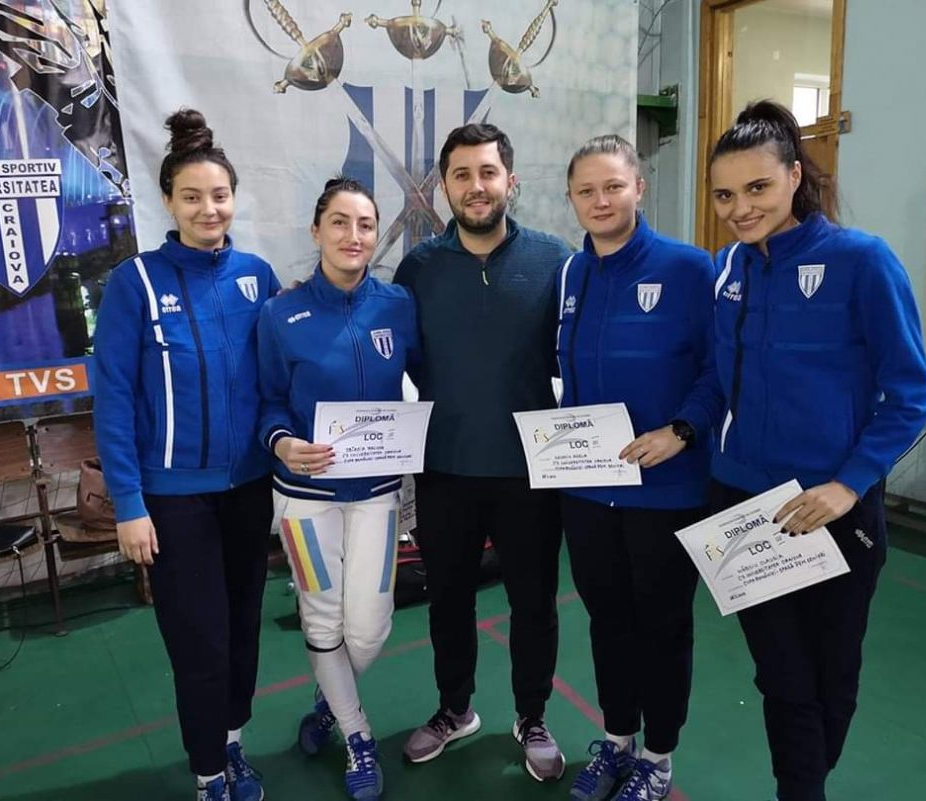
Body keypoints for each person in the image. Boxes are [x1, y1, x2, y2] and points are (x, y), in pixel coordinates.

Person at [708, 100, 926, 801]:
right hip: (745, 506)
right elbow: (714, 378)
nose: (741, 209)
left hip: (835, 509)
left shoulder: (862, 261)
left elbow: (909, 395)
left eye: (757, 187)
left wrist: (848, 484)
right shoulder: (728, 269)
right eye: (724, 195)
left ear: (794, 176)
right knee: (781, 678)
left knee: (831, 676)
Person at [93, 109, 281, 801]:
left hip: (249, 492)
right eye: (193, 196)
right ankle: (208, 773)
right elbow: (114, 400)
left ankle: (232, 745)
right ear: (168, 202)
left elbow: (279, 378)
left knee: (242, 631)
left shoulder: (257, 277)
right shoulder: (134, 283)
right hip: (173, 503)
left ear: (234, 199)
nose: (209, 209)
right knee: (198, 641)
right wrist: (129, 504)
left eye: (220, 195)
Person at [394, 123, 571, 782]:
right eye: (461, 175)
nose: (476, 186)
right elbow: (398, 358)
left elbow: (579, 355)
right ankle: (454, 708)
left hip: (531, 470)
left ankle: (532, 715)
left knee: (534, 602)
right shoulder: (418, 268)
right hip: (445, 467)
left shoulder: (554, 260)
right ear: (444, 186)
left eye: (487, 172)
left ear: (510, 181)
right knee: (449, 601)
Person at [555, 135, 723, 801]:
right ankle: (618, 739)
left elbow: (719, 370)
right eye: (586, 190)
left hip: (667, 490)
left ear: (639, 188)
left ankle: (658, 754)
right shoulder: (572, 274)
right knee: (607, 621)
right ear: (571, 198)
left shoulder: (689, 268)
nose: (600, 200)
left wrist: (681, 430)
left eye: (613, 186)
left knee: (664, 626)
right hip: (589, 492)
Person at [257, 177, 420, 801]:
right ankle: (356, 734)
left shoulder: (398, 305)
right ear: (316, 230)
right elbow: (268, 399)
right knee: (322, 614)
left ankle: (330, 699)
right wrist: (282, 443)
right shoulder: (281, 314)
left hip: (378, 492)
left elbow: (426, 378)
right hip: (305, 497)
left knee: (370, 628)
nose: (354, 236)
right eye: (340, 223)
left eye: (366, 225)